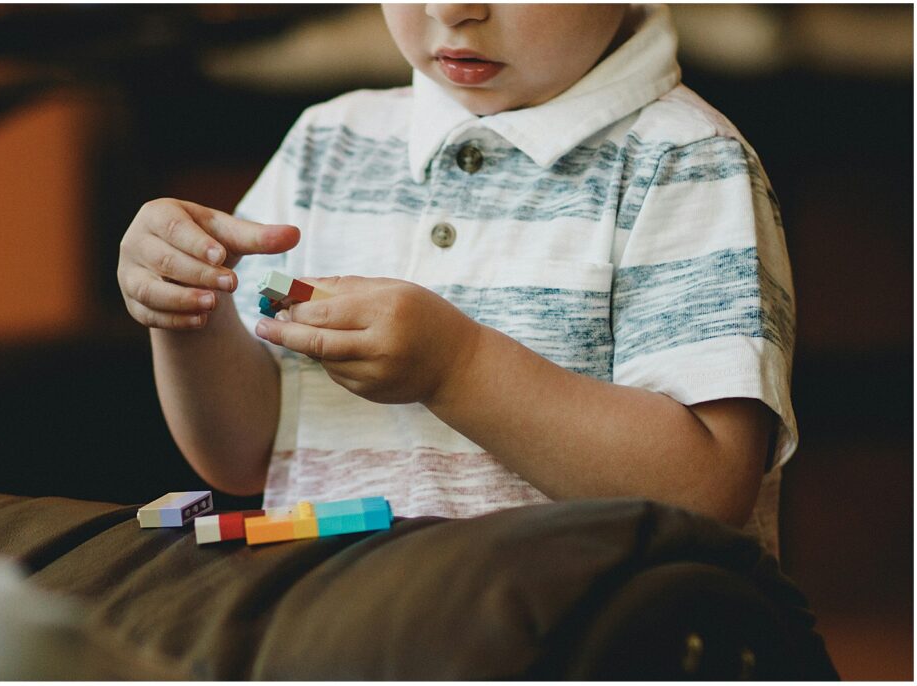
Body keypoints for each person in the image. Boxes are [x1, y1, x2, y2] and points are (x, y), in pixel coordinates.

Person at [117, 4, 796, 555]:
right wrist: (190, 312)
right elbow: (244, 456)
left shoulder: (686, 162)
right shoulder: (329, 142)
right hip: (336, 632)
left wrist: (459, 367)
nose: (452, 10)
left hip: (586, 642)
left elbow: (708, 489)